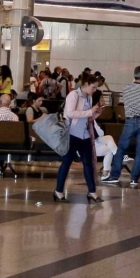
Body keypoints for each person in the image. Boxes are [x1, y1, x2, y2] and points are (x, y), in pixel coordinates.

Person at [54, 73, 104, 203]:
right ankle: (58, 191)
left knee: (88, 163)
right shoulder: (74, 95)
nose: (94, 90)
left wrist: (97, 112)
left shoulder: (89, 97)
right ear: (86, 85)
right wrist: (90, 111)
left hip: (85, 134)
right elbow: (70, 113)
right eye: (93, 87)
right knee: (67, 162)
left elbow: (89, 117)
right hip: (72, 134)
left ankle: (92, 192)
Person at [106, 66, 140, 187]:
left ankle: (114, 176)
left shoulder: (126, 88)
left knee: (121, 149)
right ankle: (134, 179)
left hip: (129, 122)